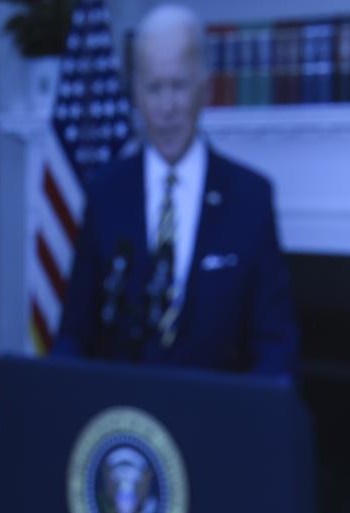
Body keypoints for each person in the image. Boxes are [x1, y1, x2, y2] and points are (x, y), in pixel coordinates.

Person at [52, 5, 297, 374]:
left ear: (204, 90)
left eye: (179, 87)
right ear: (135, 94)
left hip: (216, 420)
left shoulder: (251, 199)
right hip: (125, 422)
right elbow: (75, 332)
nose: (167, 108)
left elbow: (275, 345)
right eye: (154, 88)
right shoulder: (105, 193)